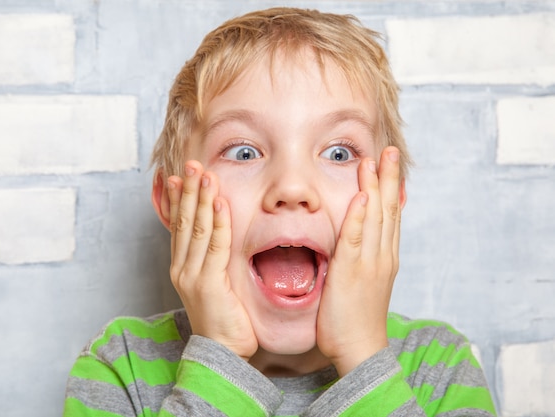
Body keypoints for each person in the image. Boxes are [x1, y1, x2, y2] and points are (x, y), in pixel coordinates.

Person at [63, 7, 497, 417]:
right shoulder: (119, 368)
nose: (292, 187)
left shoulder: (439, 367)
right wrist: (220, 355)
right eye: (245, 151)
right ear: (174, 204)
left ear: (392, 198)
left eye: (339, 152)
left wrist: (363, 356)